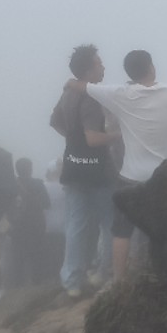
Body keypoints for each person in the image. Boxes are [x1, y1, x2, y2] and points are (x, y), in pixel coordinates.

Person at [69, 49, 167, 280]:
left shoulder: (120, 94)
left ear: (130, 72)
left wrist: (69, 83)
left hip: (131, 177)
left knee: (121, 230)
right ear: (151, 67)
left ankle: (119, 282)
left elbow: (81, 86)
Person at [50, 45, 119, 298]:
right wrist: (118, 135)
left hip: (72, 166)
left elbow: (55, 121)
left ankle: (71, 281)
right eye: (99, 63)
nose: (103, 67)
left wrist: (73, 139)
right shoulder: (90, 97)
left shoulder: (68, 92)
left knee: (75, 224)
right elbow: (93, 139)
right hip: (97, 170)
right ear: (88, 70)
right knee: (109, 223)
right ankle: (105, 271)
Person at [6, 158, 51, 287]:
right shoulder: (38, 184)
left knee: (18, 258)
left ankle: (18, 287)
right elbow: (47, 204)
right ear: (30, 169)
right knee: (37, 256)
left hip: (17, 226)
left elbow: (6, 206)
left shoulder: (11, 186)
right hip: (36, 225)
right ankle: (38, 283)